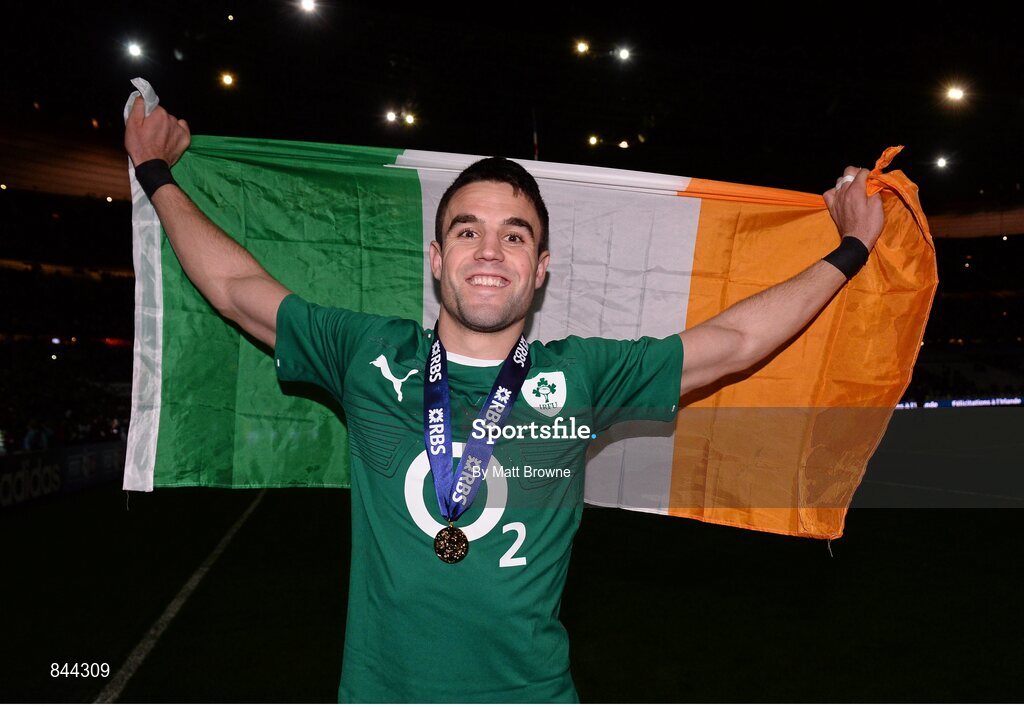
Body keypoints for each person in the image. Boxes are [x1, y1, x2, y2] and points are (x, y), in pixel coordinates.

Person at [124, 97, 883, 702]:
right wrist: (155, 171)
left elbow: (735, 343)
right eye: (468, 231)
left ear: (542, 266)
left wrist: (850, 249)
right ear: (437, 256)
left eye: (514, 236)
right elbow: (236, 290)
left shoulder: (579, 375)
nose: (489, 251)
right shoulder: (368, 354)